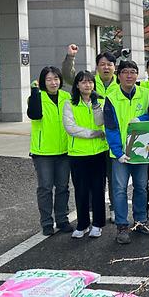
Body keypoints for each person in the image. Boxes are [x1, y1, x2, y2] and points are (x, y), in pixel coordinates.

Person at [103, 60, 149, 245]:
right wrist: (117, 151)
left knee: (141, 187)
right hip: (120, 154)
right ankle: (122, 226)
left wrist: (141, 117)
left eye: (133, 72)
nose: (129, 75)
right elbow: (111, 127)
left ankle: (140, 221)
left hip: (140, 151)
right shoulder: (112, 97)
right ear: (119, 75)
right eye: (125, 72)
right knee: (119, 190)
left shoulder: (146, 94)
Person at [26, 66, 73, 236]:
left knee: (62, 187)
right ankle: (46, 222)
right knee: (45, 188)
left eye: (56, 79)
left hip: (64, 151)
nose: (53, 83)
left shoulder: (67, 97)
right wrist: (35, 92)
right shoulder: (37, 97)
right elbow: (35, 115)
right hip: (43, 152)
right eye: (48, 79)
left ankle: (62, 219)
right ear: (43, 82)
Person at [63, 71, 107, 239]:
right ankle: (82, 224)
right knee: (81, 190)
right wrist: (93, 134)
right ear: (77, 85)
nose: (87, 85)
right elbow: (70, 127)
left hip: (98, 152)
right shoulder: (69, 103)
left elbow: (100, 122)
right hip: (78, 154)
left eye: (90, 82)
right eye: (83, 82)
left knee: (98, 189)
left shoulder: (100, 102)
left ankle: (97, 224)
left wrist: (96, 105)